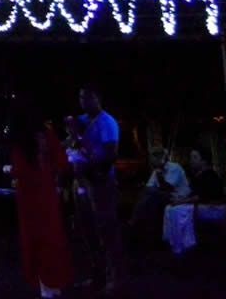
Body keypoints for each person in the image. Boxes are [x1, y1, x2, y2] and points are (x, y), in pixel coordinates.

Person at [7, 111, 73, 298]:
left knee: (33, 239)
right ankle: (54, 282)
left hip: (28, 197)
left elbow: (19, 169)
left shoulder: (20, 140)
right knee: (50, 237)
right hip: (46, 193)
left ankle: (44, 284)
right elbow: (61, 162)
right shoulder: (46, 135)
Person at [70, 86, 124, 295]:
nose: (83, 101)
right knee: (88, 230)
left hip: (101, 182)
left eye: (88, 97)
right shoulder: (83, 121)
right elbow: (75, 138)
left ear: (97, 98)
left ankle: (115, 278)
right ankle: (97, 275)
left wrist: (90, 165)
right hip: (84, 182)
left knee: (106, 230)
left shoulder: (107, 122)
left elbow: (111, 153)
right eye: (81, 97)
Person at [162, 147, 226, 254]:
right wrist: (180, 199)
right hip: (201, 205)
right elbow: (194, 194)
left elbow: (201, 196)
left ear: (204, 161)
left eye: (195, 157)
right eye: (191, 157)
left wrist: (181, 201)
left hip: (211, 207)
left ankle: (183, 245)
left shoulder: (209, 175)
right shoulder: (198, 176)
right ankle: (173, 241)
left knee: (177, 211)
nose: (191, 160)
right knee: (169, 208)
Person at [130, 147, 189, 238]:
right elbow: (148, 188)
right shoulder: (156, 170)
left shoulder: (175, 167)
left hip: (178, 196)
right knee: (148, 196)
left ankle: (135, 223)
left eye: (153, 159)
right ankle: (143, 230)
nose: (151, 162)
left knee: (152, 195)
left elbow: (168, 188)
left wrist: (159, 176)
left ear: (161, 158)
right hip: (162, 196)